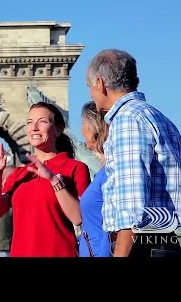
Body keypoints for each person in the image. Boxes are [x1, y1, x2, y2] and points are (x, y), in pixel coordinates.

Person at [86, 48, 181, 257]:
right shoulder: (161, 118)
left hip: (140, 246)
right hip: (165, 240)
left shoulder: (126, 121)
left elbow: (131, 210)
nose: (91, 94)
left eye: (89, 86)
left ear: (100, 83)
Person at [0, 102, 91, 257]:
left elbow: (78, 218)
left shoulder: (75, 168)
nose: (34, 127)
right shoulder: (19, 173)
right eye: (29, 122)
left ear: (58, 129)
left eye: (42, 121)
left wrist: (53, 180)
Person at [78, 101, 111, 257]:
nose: (81, 130)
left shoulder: (110, 171)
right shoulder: (103, 169)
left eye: (83, 123)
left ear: (94, 127)